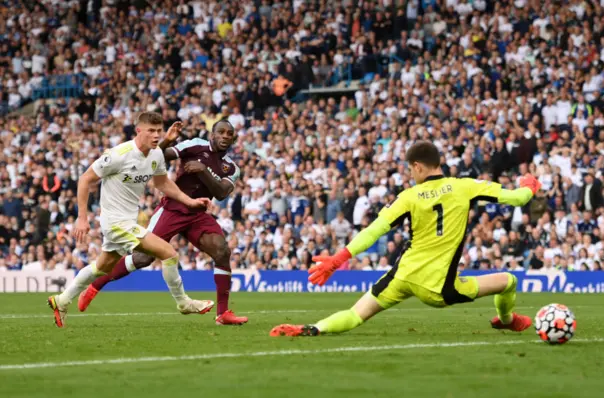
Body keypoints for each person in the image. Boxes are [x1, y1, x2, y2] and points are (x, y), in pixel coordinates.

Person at [270, 141, 541, 337]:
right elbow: (517, 198)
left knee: (355, 314)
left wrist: (338, 259)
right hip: (439, 287)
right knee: (509, 281)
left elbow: (374, 230)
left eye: (411, 169)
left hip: (402, 275)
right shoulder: (465, 186)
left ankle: (313, 328)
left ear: (418, 166)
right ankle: (506, 320)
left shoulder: (408, 197)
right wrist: (529, 186)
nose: (411, 174)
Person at [48, 112, 214, 328]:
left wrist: (190, 202)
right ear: (139, 131)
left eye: (158, 131)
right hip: (115, 222)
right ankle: (183, 302)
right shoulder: (119, 154)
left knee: (102, 267)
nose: (156, 135)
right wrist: (82, 217)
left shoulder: (156, 155)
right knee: (169, 253)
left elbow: (163, 183)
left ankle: (61, 300)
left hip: (127, 220)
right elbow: (85, 179)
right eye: (151, 131)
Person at [77, 120, 248, 325]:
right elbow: (159, 155)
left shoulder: (232, 167)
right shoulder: (194, 145)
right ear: (212, 134)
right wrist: (166, 141)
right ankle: (95, 285)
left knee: (222, 251)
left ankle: (223, 314)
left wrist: (202, 169)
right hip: (173, 208)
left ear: (233, 138)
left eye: (230, 133)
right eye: (221, 132)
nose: (225, 136)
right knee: (142, 258)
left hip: (198, 213)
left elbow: (220, 193)